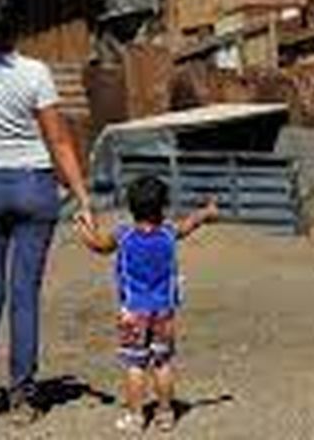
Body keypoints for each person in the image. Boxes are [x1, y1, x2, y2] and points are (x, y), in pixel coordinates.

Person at [0, 0, 90, 430]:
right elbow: (59, 140)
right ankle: (23, 397)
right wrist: (81, 195)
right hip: (35, 188)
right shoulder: (36, 74)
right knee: (24, 295)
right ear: (19, 31)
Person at [74, 176, 216, 434]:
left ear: (131, 206)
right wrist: (206, 212)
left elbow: (98, 245)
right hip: (164, 310)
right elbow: (189, 224)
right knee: (162, 363)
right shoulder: (168, 233)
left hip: (133, 312)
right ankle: (165, 413)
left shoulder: (124, 235)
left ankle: (136, 415)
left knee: (135, 365)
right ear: (163, 205)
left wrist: (84, 226)